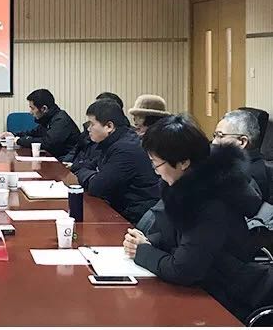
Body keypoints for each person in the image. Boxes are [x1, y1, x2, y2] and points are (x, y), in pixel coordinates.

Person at [124, 114, 272, 323]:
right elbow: (176, 235)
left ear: (184, 162)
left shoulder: (210, 199)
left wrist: (143, 251)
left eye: (156, 164)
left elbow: (184, 270)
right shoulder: (183, 185)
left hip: (225, 298)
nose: (155, 172)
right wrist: (146, 242)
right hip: (202, 285)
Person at [72, 99, 160, 224]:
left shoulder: (125, 148)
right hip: (121, 210)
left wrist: (88, 173)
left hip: (135, 218)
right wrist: (90, 173)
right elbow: (82, 166)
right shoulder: (112, 142)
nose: (89, 129)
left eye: (92, 124)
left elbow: (96, 187)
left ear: (109, 126)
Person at [0, 89, 80, 158]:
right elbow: (33, 133)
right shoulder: (48, 118)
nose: (31, 112)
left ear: (44, 109)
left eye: (32, 108)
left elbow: (47, 143)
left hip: (66, 162)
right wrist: (13, 134)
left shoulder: (61, 120)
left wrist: (19, 141)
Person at [213, 109, 272, 202]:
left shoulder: (247, 176)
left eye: (220, 136)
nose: (214, 142)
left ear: (242, 141)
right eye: (214, 136)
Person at [61, 92, 127, 168]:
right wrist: (65, 164)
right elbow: (75, 150)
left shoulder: (120, 144)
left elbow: (96, 170)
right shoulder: (89, 129)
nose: (95, 110)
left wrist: (75, 167)